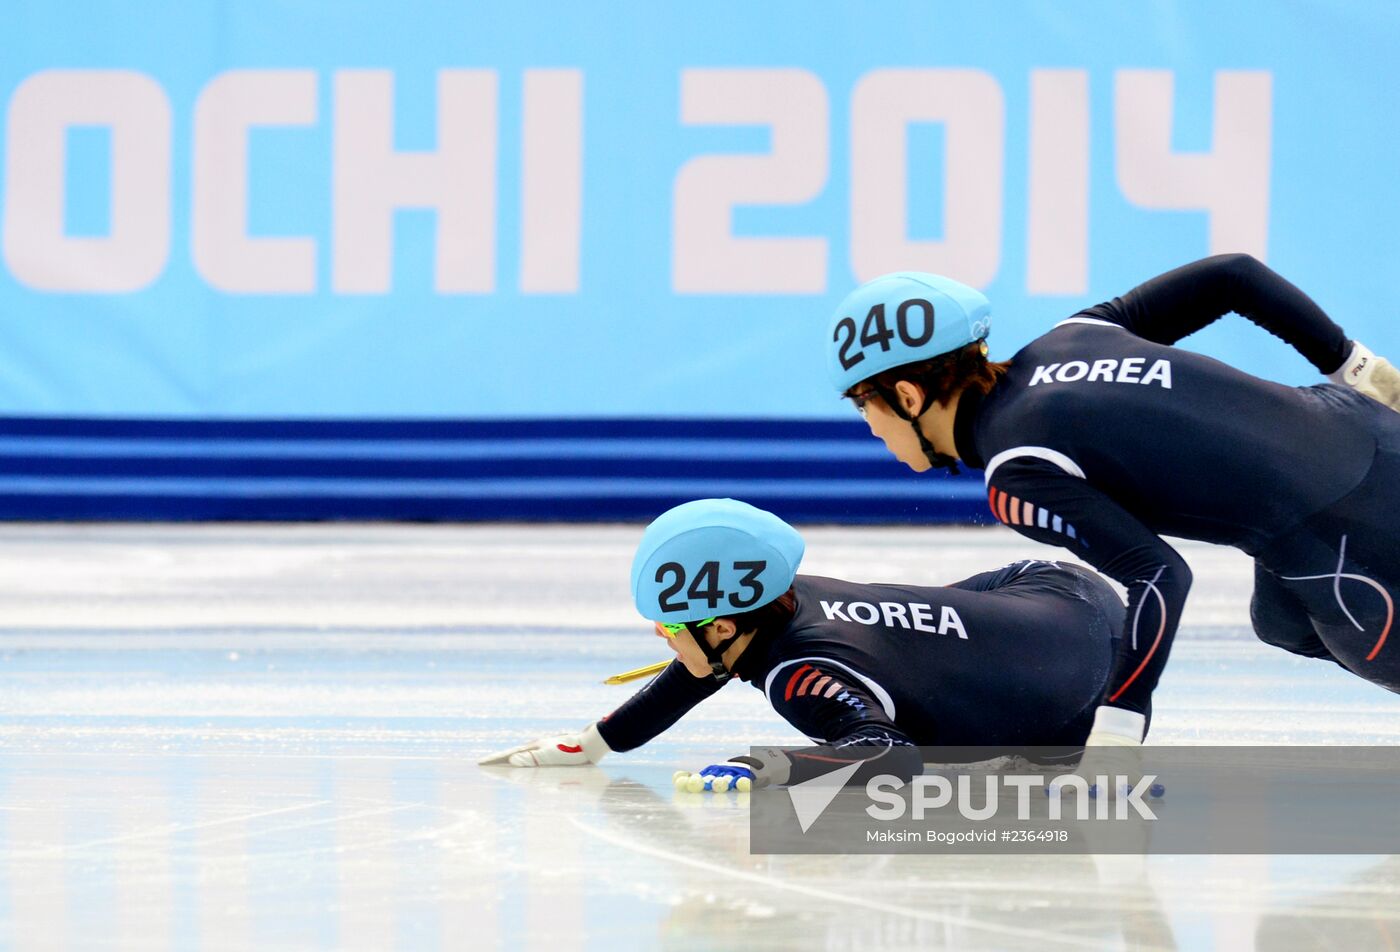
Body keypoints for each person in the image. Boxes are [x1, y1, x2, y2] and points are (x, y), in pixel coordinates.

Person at [825, 254, 1400, 752]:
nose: (871, 429)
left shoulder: (1018, 470)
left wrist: (1119, 728)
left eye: (863, 406)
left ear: (906, 395)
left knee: (1320, 622)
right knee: (1280, 622)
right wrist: (1357, 367)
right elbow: (1233, 275)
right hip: (1367, 425)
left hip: (1348, 531)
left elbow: (1159, 575)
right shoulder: (1074, 334)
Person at [480, 497, 1126, 788]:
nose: (662, 636)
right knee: (915, 646)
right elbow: (707, 666)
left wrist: (769, 766)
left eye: (672, 627)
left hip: (1064, 684)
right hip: (1076, 619)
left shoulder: (798, 672)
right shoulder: (789, 601)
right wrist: (597, 742)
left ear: (724, 625)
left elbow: (888, 755)